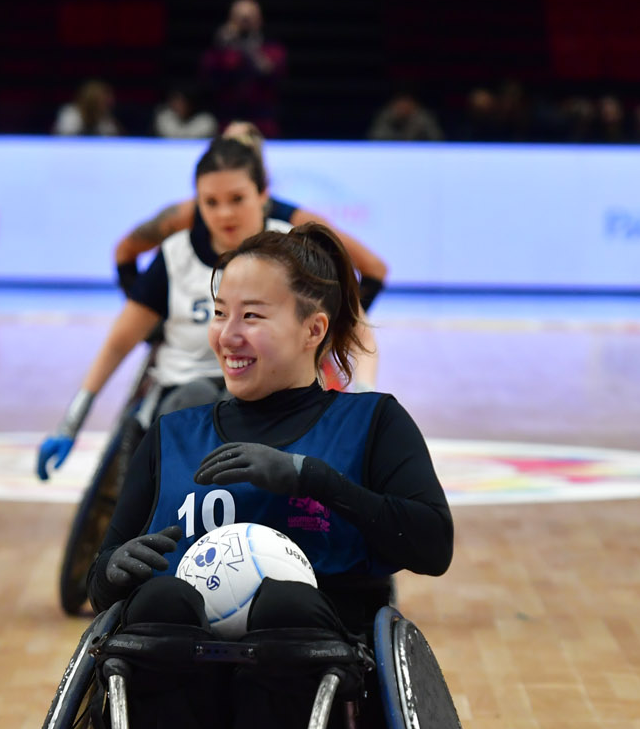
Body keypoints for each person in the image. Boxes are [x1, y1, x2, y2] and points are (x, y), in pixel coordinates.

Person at [87, 223, 452, 729]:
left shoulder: (372, 423)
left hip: (316, 661)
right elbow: (101, 581)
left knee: (285, 605)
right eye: (219, 312)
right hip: (184, 654)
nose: (228, 333)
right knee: (162, 600)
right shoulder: (173, 434)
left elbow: (432, 545)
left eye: (252, 316)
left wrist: (314, 481)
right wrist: (112, 572)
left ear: (313, 330)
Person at [36, 137, 288, 481]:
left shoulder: (293, 248)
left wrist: (360, 400)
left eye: (237, 199)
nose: (224, 213)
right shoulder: (175, 255)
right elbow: (117, 344)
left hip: (270, 394)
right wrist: (70, 425)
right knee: (197, 399)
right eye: (210, 202)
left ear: (263, 195)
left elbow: (351, 322)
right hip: (183, 396)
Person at [112, 121, 390, 336]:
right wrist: (154, 324)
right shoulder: (187, 214)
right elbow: (125, 250)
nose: (224, 214)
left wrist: (334, 331)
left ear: (259, 178)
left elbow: (374, 268)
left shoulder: (298, 223)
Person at [199, 0, 286, 137]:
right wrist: (220, 45)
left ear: (260, 20)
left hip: (263, 124)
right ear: (230, 20)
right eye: (240, 18)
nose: (245, 23)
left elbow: (269, 71)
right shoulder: (220, 50)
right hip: (226, 123)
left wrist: (246, 47)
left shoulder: (272, 49)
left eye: (249, 18)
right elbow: (207, 78)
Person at [368, 91, 445, 142]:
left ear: (414, 105)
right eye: (400, 105)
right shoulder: (386, 116)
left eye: (407, 104)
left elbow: (437, 138)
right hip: (391, 152)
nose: (403, 108)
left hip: (419, 152)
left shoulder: (423, 118)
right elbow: (375, 137)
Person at [53, 80, 120, 137]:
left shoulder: (106, 119)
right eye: (103, 100)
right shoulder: (70, 114)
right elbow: (64, 140)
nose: (110, 102)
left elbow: (113, 141)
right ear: (92, 100)